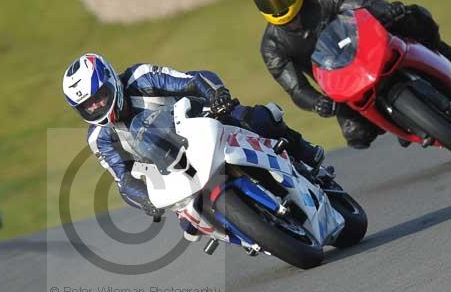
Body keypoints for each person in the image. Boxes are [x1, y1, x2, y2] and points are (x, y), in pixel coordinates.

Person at [61, 53, 325, 240]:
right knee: (190, 227)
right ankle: (251, 235)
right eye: (88, 105)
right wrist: (147, 201)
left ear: (111, 82)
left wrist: (215, 95)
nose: (96, 106)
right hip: (172, 170)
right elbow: (123, 178)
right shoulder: (99, 137)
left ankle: (304, 152)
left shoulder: (139, 79)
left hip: (200, 124)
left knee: (257, 118)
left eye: (100, 97)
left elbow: (189, 80)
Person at [250, 0, 451, 149]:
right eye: (268, 2)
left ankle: (444, 52)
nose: (277, 6)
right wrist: (318, 102)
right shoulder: (271, 45)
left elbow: (361, 3)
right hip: (340, 84)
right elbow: (296, 89)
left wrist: (387, 10)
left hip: (370, 47)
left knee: (411, 15)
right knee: (357, 135)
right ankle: (398, 120)